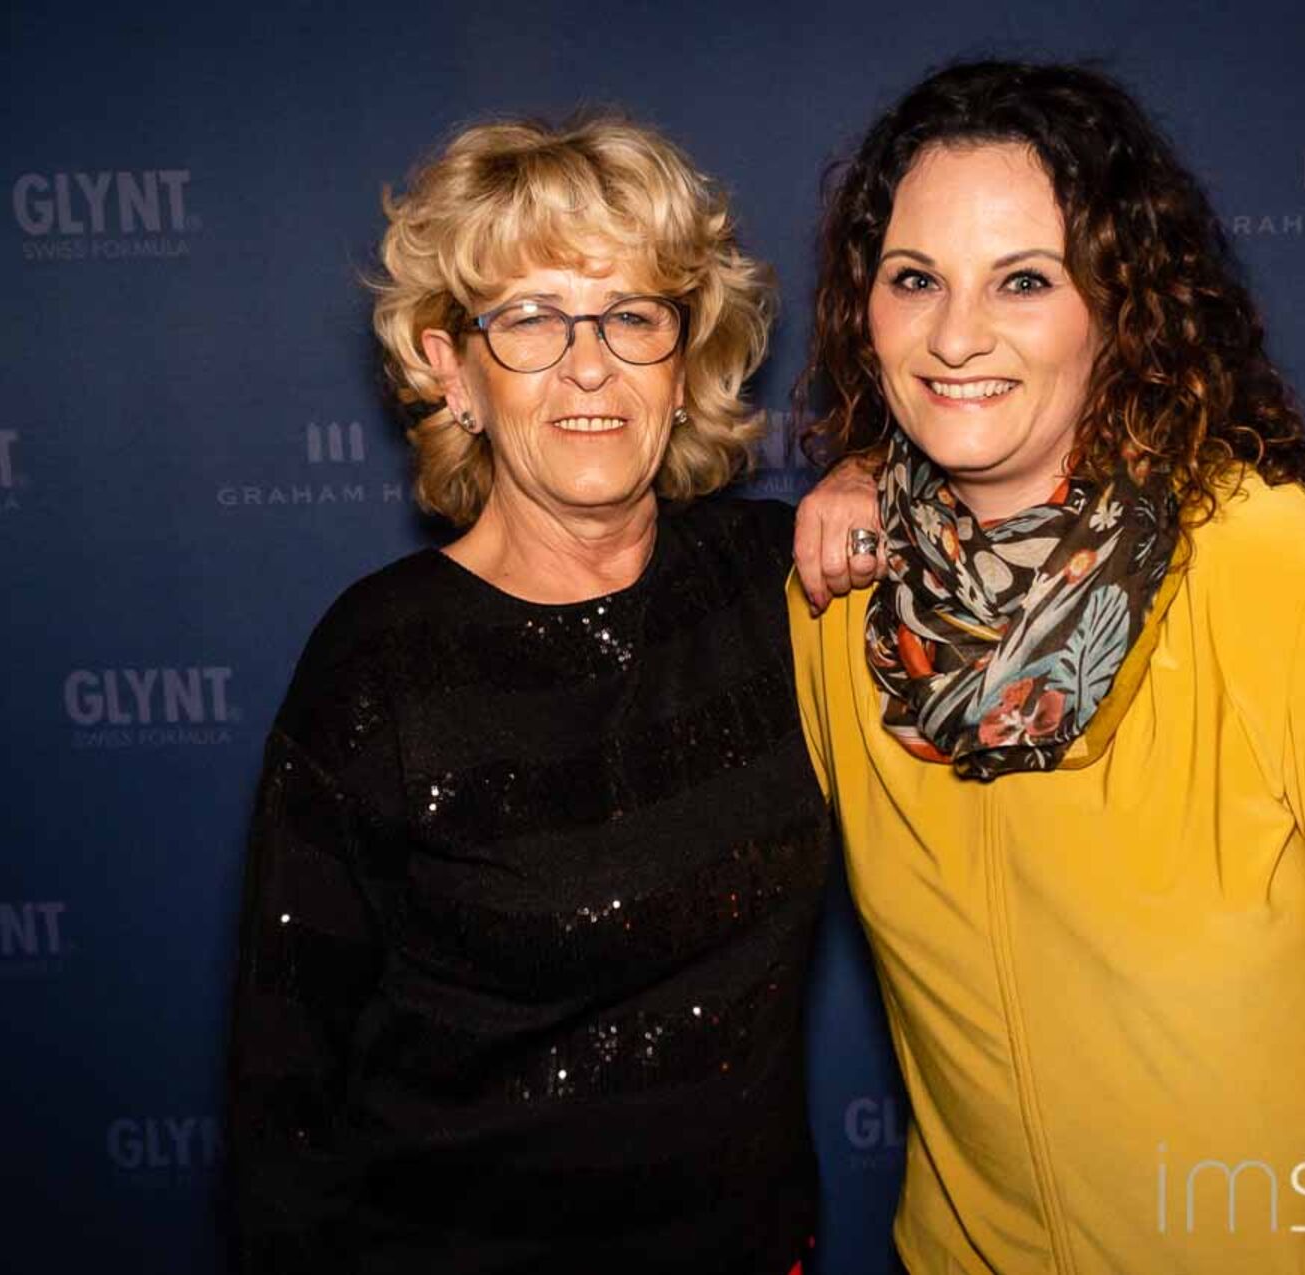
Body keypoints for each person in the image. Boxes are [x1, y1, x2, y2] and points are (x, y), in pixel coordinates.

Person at [788, 61, 1305, 1274]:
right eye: (915, 279)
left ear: (1120, 306)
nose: (955, 335)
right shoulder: (840, 599)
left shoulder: (1286, 571)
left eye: (1025, 280)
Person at [227, 112, 873, 1274]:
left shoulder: (779, 584)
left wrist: (881, 470)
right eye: (529, 318)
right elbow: (284, 1107)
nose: (589, 364)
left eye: (632, 315)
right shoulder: (377, 666)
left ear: (686, 358)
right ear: (452, 370)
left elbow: (1018, 497)